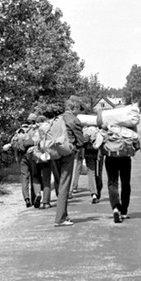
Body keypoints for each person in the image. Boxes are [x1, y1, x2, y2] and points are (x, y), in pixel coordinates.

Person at [54, 95, 85, 227]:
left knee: (59, 183)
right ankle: (60, 218)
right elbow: (81, 140)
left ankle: (64, 214)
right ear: (75, 107)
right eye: (79, 108)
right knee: (65, 185)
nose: (80, 110)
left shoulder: (58, 118)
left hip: (54, 152)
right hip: (67, 153)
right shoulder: (74, 120)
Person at [103, 124, 138, 224]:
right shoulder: (130, 122)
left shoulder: (107, 121)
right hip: (125, 157)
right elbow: (136, 144)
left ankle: (115, 207)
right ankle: (124, 211)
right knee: (125, 183)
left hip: (110, 157)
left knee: (112, 182)